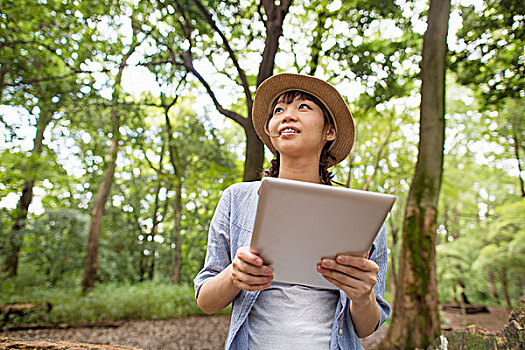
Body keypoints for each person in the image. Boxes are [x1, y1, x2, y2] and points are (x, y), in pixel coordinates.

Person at [194, 73, 390, 350]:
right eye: (278, 110)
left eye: (303, 107)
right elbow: (206, 300)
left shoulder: (363, 215)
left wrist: (362, 296)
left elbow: (366, 327)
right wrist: (234, 275)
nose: (287, 115)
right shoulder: (236, 199)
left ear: (329, 132)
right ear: (272, 131)